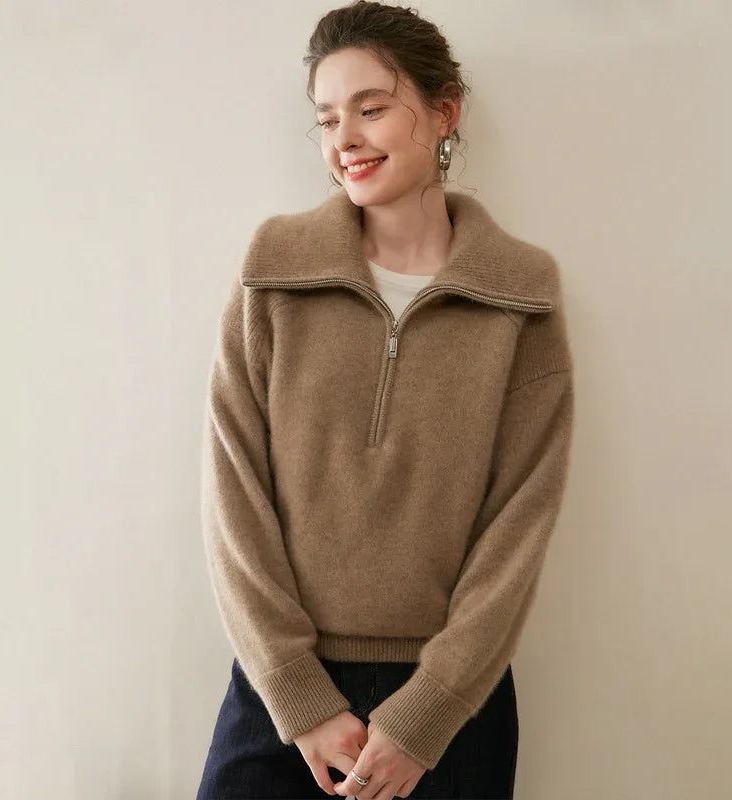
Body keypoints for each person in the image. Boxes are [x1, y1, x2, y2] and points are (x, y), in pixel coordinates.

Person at [196, 2, 576, 798]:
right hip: (280, 696)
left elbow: (522, 516)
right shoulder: (275, 268)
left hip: (450, 712)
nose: (345, 138)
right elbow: (232, 491)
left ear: (445, 111)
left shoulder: (519, 293)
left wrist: (427, 713)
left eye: (371, 108)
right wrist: (298, 696)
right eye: (328, 117)